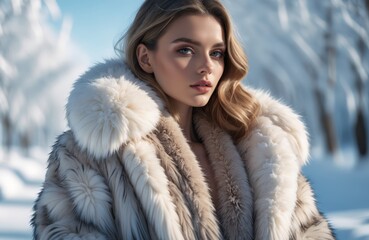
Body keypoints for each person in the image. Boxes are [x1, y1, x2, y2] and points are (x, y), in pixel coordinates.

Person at [31, 0, 335, 239]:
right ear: (145, 57)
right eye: (186, 50)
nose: (206, 67)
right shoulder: (91, 154)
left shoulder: (261, 149)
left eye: (216, 53)